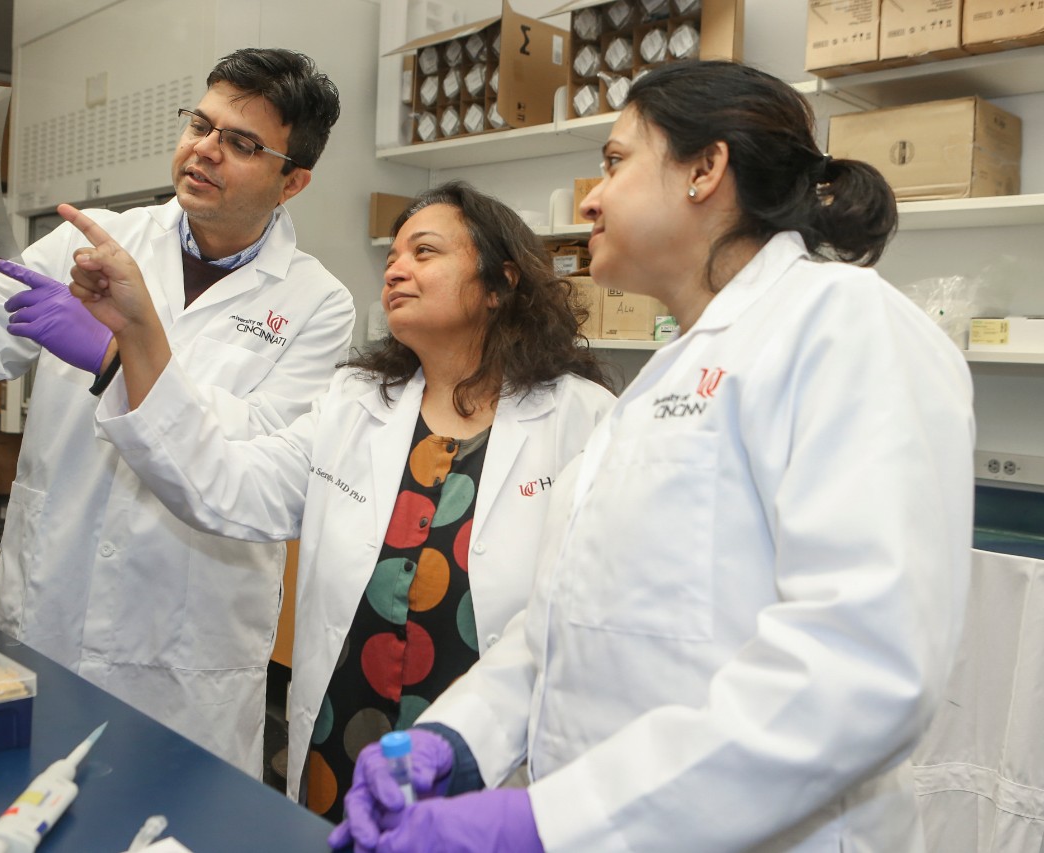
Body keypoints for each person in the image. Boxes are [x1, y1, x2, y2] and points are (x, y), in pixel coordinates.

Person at [333, 59, 976, 852]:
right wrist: (459, 737)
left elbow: (860, 668)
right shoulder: (665, 378)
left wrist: (545, 821)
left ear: (706, 168)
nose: (590, 197)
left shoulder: (843, 324)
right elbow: (565, 627)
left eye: (615, 161)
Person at [4, 181, 616, 821]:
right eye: (393, 258)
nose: (397, 270)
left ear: (500, 284)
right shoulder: (354, 404)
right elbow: (226, 485)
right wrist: (129, 346)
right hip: (344, 745)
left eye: (425, 252)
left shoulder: (580, 420)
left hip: (492, 767)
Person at [0, 47, 353, 776]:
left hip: (183, 666)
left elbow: (253, 470)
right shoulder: (88, 239)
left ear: (293, 180)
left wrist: (118, 356)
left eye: (241, 143)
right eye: (202, 124)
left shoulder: (316, 303)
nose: (205, 149)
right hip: (47, 616)